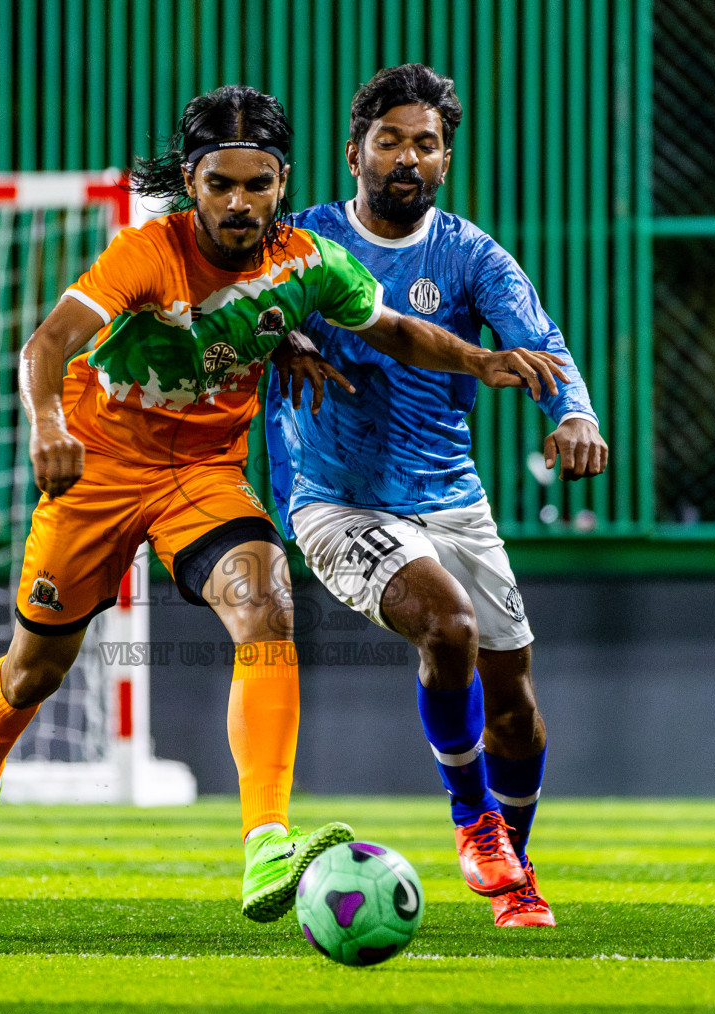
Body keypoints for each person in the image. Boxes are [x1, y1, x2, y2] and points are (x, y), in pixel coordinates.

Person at [0, 83, 566, 922]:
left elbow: (392, 329)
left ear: (282, 182)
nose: (240, 204)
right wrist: (47, 423)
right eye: (221, 185)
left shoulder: (307, 259)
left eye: (258, 185)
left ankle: (265, 841)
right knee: (34, 672)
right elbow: (46, 344)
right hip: (100, 467)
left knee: (263, 597)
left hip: (202, 472)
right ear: (191, 184)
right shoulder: (146, 253)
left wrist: (479, 362)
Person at [266, 64, 609, 928]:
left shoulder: (470, 253)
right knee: (446, 623)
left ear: (446, 161)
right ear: (355, 153)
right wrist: (282, 347)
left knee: (516, 711)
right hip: (336, 496)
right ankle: (472, 821)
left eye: (426, 143)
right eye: (391, 141)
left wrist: (572, 412)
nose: (407, 157)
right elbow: (241, 309)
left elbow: (540, 339)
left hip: (450, 495)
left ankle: (510, 864)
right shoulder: (302, 239)